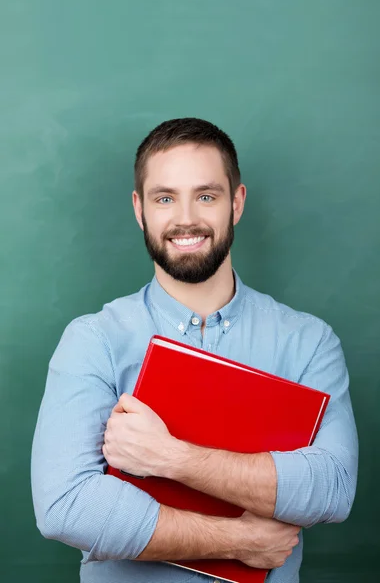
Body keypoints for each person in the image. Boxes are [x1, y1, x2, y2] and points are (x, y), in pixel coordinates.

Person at [31, 118, 358, 583]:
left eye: (206, 195)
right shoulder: (94, 340)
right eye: (165, 198)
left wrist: (170, 458)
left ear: (237, 203)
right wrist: (241, 540)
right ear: (140, 209)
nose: (186, 218)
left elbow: (332, 489)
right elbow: (67, 507)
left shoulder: (308, 342)